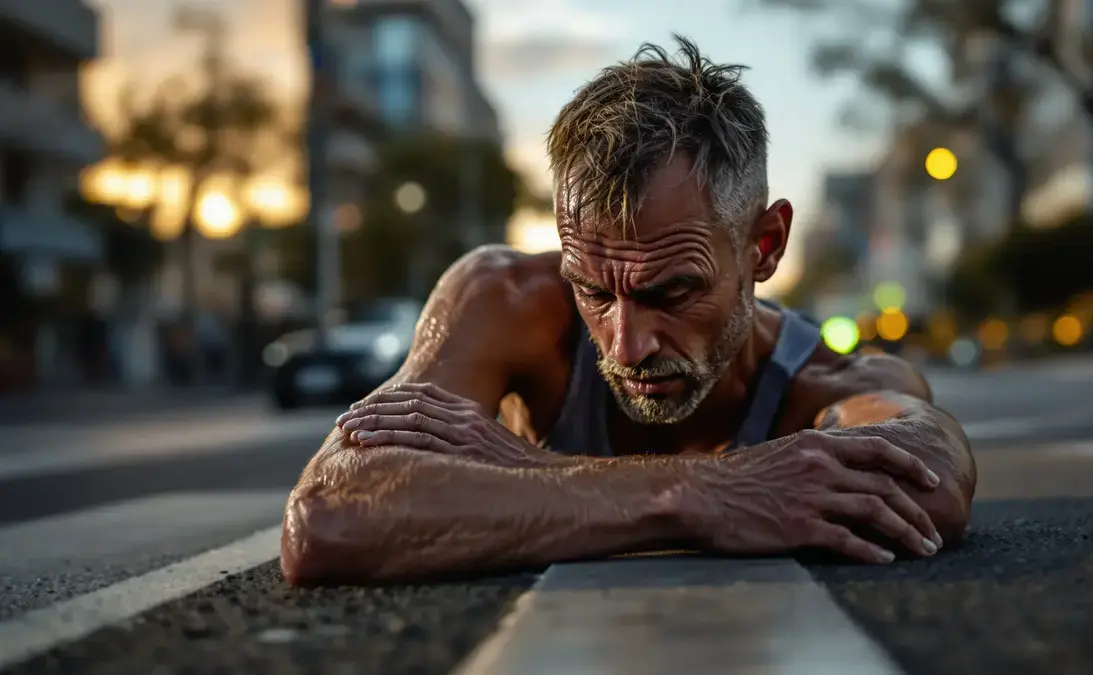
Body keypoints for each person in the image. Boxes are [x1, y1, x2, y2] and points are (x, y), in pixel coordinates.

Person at [280, 37, 976, 586]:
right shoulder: (508, 298)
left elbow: (933, 481)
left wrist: (519, 475)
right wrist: (703, 493)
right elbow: (329, 516)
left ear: (763, 247)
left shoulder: (828, 382)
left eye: (671, 293)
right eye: (593, 290)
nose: (626, 344)